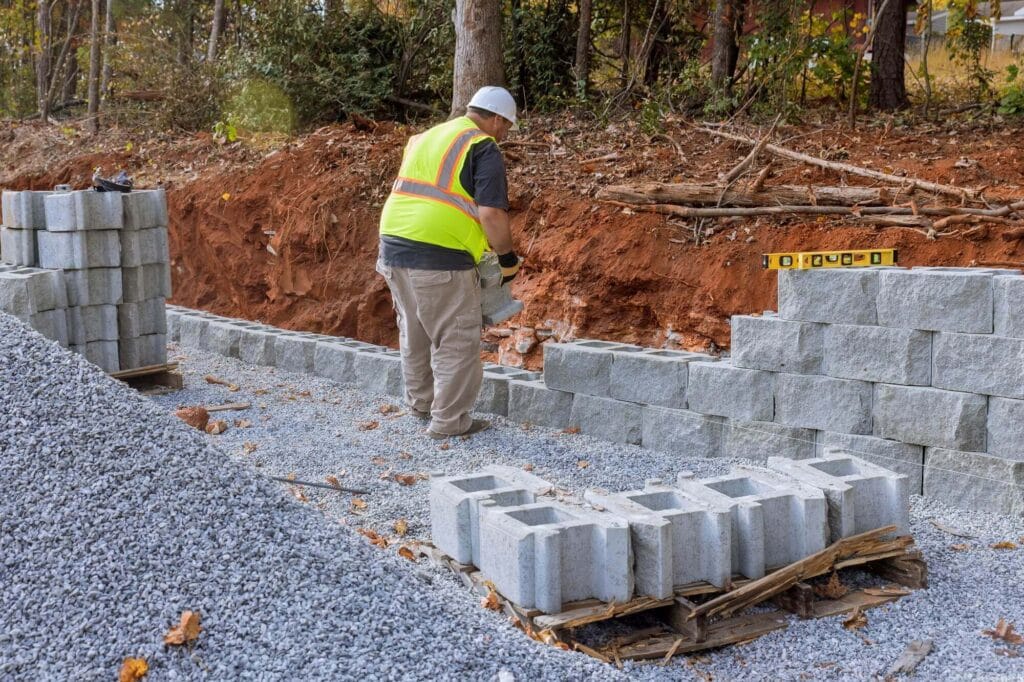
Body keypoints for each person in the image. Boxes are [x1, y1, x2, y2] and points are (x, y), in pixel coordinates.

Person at [377, 86, 521, 439]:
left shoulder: (425, 137)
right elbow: (490, 213)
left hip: (393, 245)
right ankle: (450, 422)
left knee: (415, 330)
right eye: (507, 126)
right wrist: (507, 258)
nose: (505, 134)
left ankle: (421, 404)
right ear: (497, 118)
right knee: (457, 338)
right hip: (440, 253)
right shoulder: (482, 146)